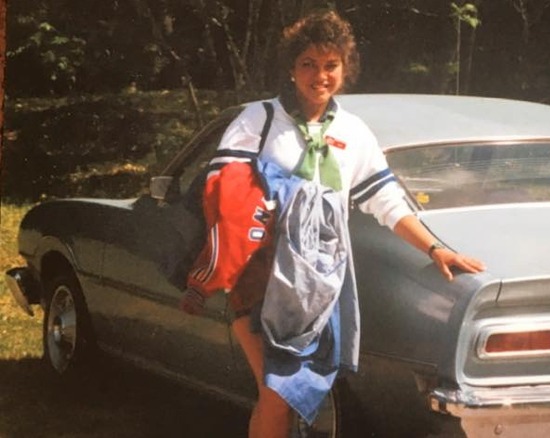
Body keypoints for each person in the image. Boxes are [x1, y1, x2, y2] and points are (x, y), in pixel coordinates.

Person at [182, 9, 485, 438]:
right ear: (291, 68)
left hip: (320, 285)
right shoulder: (260, 120)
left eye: (330, 65)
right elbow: (222, 188)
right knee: (278, 394)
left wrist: (435, 248)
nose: (319, 75)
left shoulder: (354, 132)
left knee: (286, 398)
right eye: (308, 64)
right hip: (262, 279)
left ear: (345, 69)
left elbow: (387, 202)